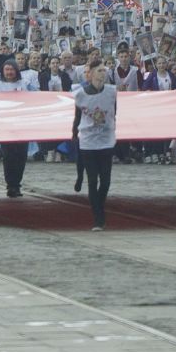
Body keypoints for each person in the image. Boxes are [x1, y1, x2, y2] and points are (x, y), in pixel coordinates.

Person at [71, 61, 118, 230]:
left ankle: (100, 204)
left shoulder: (112, 92)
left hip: (106, 140)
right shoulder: (80, 94)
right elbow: (77, 117)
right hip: (88, 141)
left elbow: (114, 113)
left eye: (104, 71)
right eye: (99, 71)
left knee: (105, 180)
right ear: (89, 74)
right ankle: (98, 218)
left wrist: (113, 130)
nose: (102, 74)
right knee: (93, 179)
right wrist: (74, 134)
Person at [0, 59, 28, 198]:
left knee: (21, 156)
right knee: (9, 156)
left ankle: (17, 184)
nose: (9, 72)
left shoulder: (24, 84)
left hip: (22, 126)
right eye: (7, 69)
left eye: (12, 69)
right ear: (3, 71)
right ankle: (10, 185)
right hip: (6, 126)